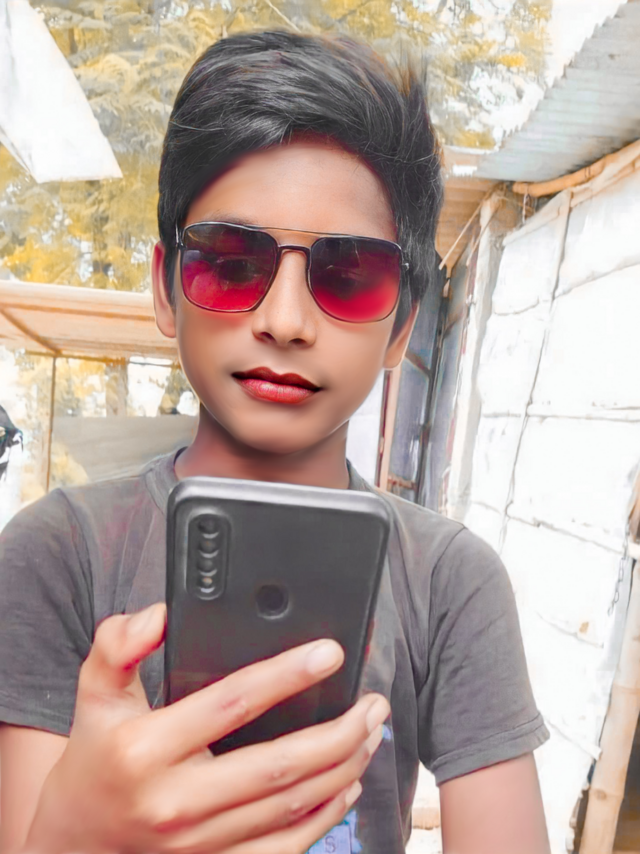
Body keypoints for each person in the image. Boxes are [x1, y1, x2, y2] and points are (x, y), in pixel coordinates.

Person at [0, 31, 551, 854]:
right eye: (229, 263)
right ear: (164, 288)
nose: (284, 321)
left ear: (403, 324)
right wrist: (72, 835)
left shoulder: (450, 581)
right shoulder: (60, 551)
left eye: (349, 276)